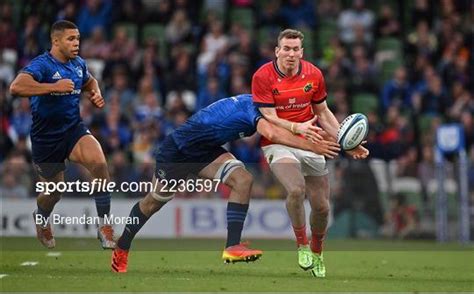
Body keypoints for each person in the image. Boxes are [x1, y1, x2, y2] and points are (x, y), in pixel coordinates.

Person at [111, 94, 341, 273]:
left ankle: (232, 247)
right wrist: (314, 146)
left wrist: (335, 137)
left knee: (243, 180)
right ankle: (122, 246)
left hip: (207, 151)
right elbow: (274, 133)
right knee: (154, 202)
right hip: (179, 151)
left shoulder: (258, 105)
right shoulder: (256, 112)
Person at [252, 29, 369, 277]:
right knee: (296, 189)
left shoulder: (313, 74)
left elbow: (324, 113)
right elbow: (268, 117)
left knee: (322, 207)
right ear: (277, 51)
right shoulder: (263, 76)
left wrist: (347, 142)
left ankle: (317, 252)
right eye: (286, 48)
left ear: (301, 52)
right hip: (278, 141)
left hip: (311, 139)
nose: (291, 53)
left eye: (295, 49)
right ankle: (302, 245)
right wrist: (296, 127)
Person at [9, 20, 115, 249]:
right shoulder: (42, 65)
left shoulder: (78, 64)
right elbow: (16, 87)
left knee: (100, 164)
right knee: (55, 192)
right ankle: (41, 217)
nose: (76, 43)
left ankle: (104, 227)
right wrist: (52, 87)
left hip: (72, 129)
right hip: (45, 138)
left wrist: (94, 93)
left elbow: (90, 81)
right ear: (55, 41)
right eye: (70, 39)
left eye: (77, 38)